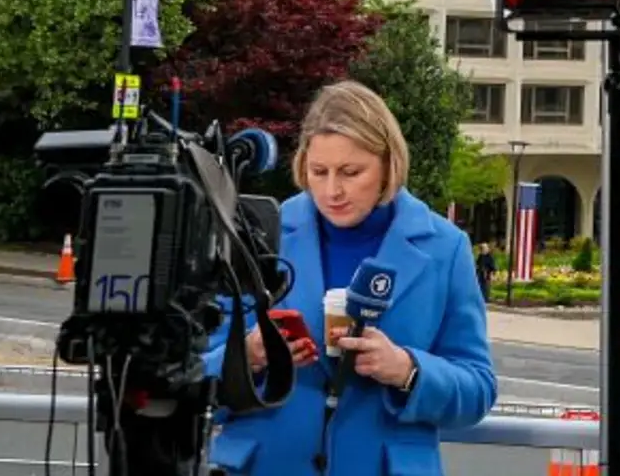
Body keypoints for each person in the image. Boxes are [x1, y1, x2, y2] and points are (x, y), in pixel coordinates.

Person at [206, 82, 495, 474]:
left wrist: (408, 369)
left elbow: (477, 388)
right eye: (318, 172)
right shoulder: (257, 235)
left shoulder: (446, 247)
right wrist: (248, 357)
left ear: (388, 164)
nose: (331, 190)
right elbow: (193, 374)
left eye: (351, 172)